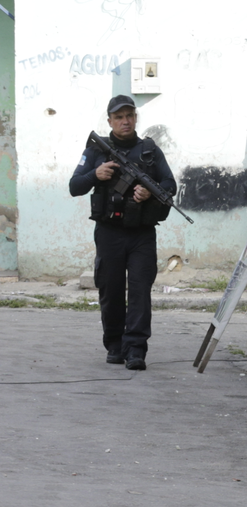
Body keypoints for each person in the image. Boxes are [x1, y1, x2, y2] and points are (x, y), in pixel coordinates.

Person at [68, 94, 177, 371]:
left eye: (129, 115)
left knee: (140, 291)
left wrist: (148, 192)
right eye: (119, 117)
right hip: (109, 232)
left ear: (135, 118)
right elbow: (74, 186)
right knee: (111, 290)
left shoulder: (149, 150)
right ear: (110, 121)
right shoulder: (96, 151)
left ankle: (136, 350)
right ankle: (115, 345)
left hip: (141, 233)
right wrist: (96, 174)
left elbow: (169, 184)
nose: (125, 121)